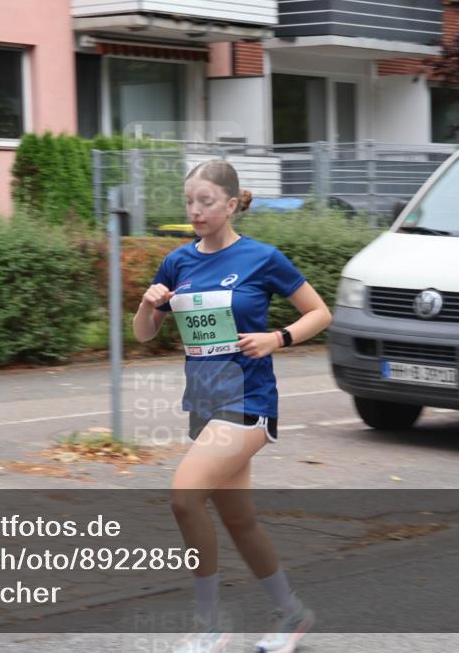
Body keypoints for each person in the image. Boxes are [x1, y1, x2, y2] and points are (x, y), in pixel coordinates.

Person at [133, 160, 333, 653]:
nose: (195, 210)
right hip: (204, 405)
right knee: (240, 522)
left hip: (249, 402)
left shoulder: (263, 257)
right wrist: (146, 304)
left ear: (229, 203)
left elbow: (320, 312)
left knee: (184, 497)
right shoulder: (178, 262)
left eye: (205, 201)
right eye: (188, 202)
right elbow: (144, 334)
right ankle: (291, 613)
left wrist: (276, 338)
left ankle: (209, 624)